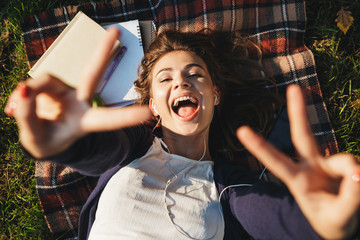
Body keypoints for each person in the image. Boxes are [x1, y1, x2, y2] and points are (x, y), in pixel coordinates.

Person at [5, 27, 360, 240]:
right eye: (166, 78)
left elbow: (279, 220)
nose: (182, 81)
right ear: (154, 105)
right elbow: (95, 150)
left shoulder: (229, 187)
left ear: (215, 95)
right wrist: (61, 143)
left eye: (195, 74)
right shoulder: (133, 148)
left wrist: (323, 226)